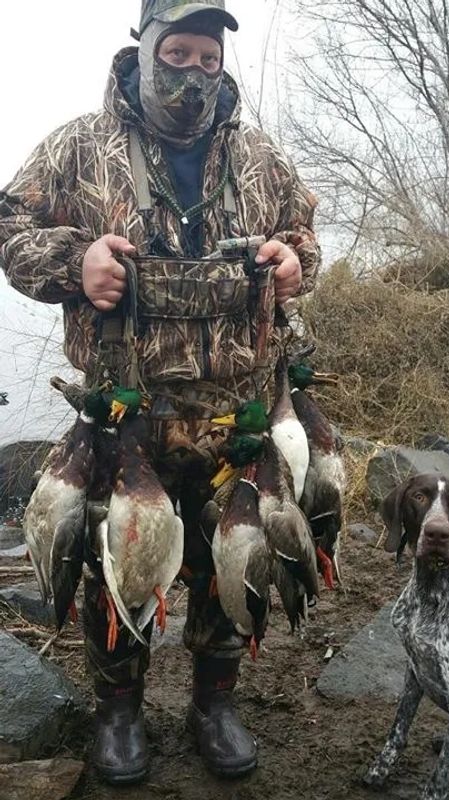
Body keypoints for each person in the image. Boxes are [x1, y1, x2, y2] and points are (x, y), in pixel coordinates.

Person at [0, 0, 320, 785]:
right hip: (126, 421)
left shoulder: (259, 158)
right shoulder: (80, 146)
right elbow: (8, 228)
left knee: (229, 565)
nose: (193, 74)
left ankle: (214, 703)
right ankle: (119, 711)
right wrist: (74, 264)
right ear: (141, 50)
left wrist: (293, 262)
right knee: (119, 563)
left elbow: (307, 236)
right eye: (177, 52)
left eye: (210, 61)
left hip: (236, 418)